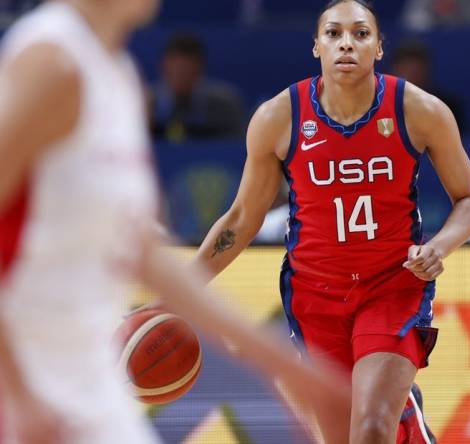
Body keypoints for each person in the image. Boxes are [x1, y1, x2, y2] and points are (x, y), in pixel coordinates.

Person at [0, 1, 350, 443]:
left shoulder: (118, 73)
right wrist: (18, 392)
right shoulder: (51, 61)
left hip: (89, 374)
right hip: (27, 371)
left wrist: (278, 362)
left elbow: (144, 254)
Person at [194, 1, 470, 443]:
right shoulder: (278, 117)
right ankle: (406, 420)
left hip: (393, 286)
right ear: (316, 46)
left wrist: (439, 246)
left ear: (379, 47)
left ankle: (394, 415)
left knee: (369, 430)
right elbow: (241, 218)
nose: (346, 43)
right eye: (333, 34)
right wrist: (182, 288)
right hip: (314, 296)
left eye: (360, 33)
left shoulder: (420, 110)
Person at [150, 32, 245, 142]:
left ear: (200, 69)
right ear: (163, 68)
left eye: (187, 72)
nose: (181, 78)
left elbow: (237, 146)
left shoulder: (225, 105)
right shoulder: (144, 104)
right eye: (176, 72)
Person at [388, 39, 467, 133]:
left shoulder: (446, 106)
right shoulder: (379, 106)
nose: (413, 72)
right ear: (395, 69)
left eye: (417, 67)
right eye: (407, 66)